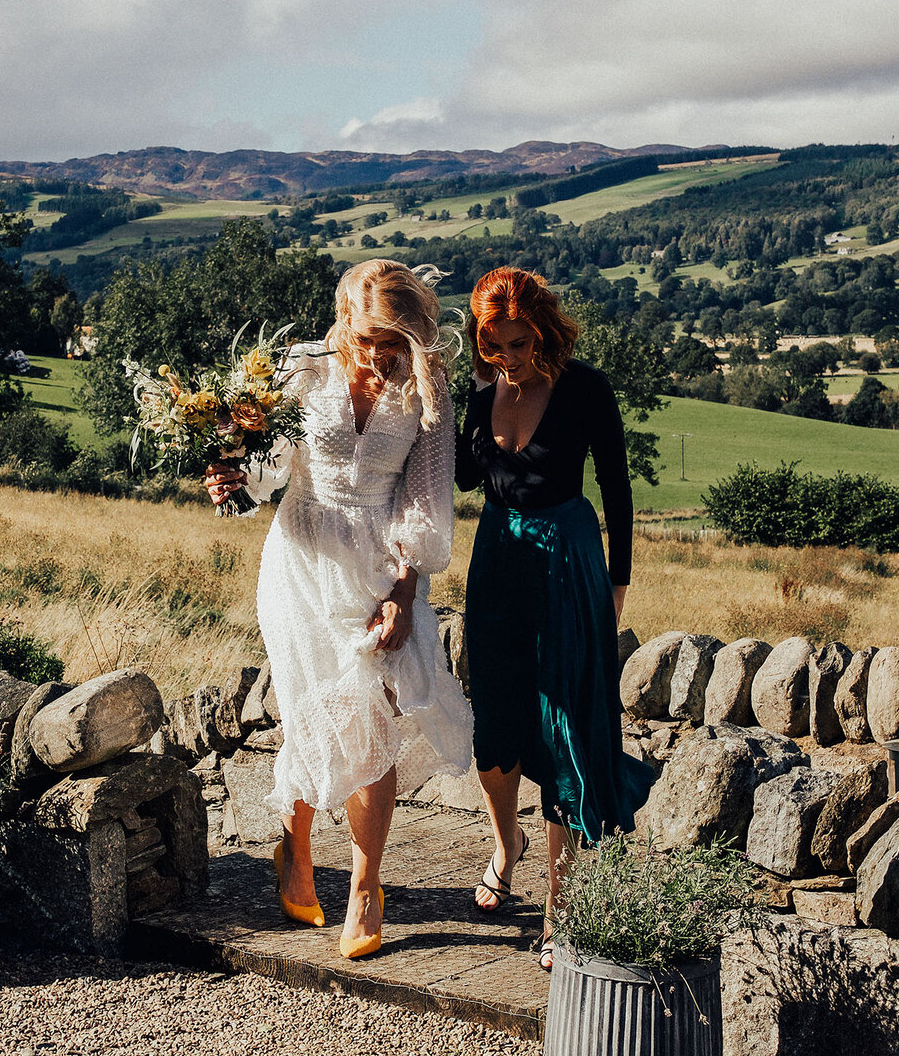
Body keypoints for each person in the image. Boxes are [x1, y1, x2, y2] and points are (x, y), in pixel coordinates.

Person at [206, 260, 472, 960]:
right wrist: (231, 476)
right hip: (297, 557)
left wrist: (405, 592)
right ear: (344, 321)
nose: (384, 354)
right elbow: (263, 471)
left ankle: (365, 885)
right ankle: (295, 851)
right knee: (305, 707)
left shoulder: (427, 383)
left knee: (371, 718)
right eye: (372, 339)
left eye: (398, 341)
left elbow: (426, 492)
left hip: (379, 565)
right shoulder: (297, 368)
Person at [457, 266, 655, 969]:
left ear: (543, 329)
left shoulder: (585, 388)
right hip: (497, 564)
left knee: (563, 728)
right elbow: (458, 474)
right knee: (497, 723)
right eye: (493, 345)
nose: (507, 357)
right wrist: (466, 400)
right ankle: (504, 842)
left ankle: (558, 903)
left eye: (517, 343)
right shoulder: (484, 389)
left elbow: (619, 487)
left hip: (567, 562)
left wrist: (618, 581)